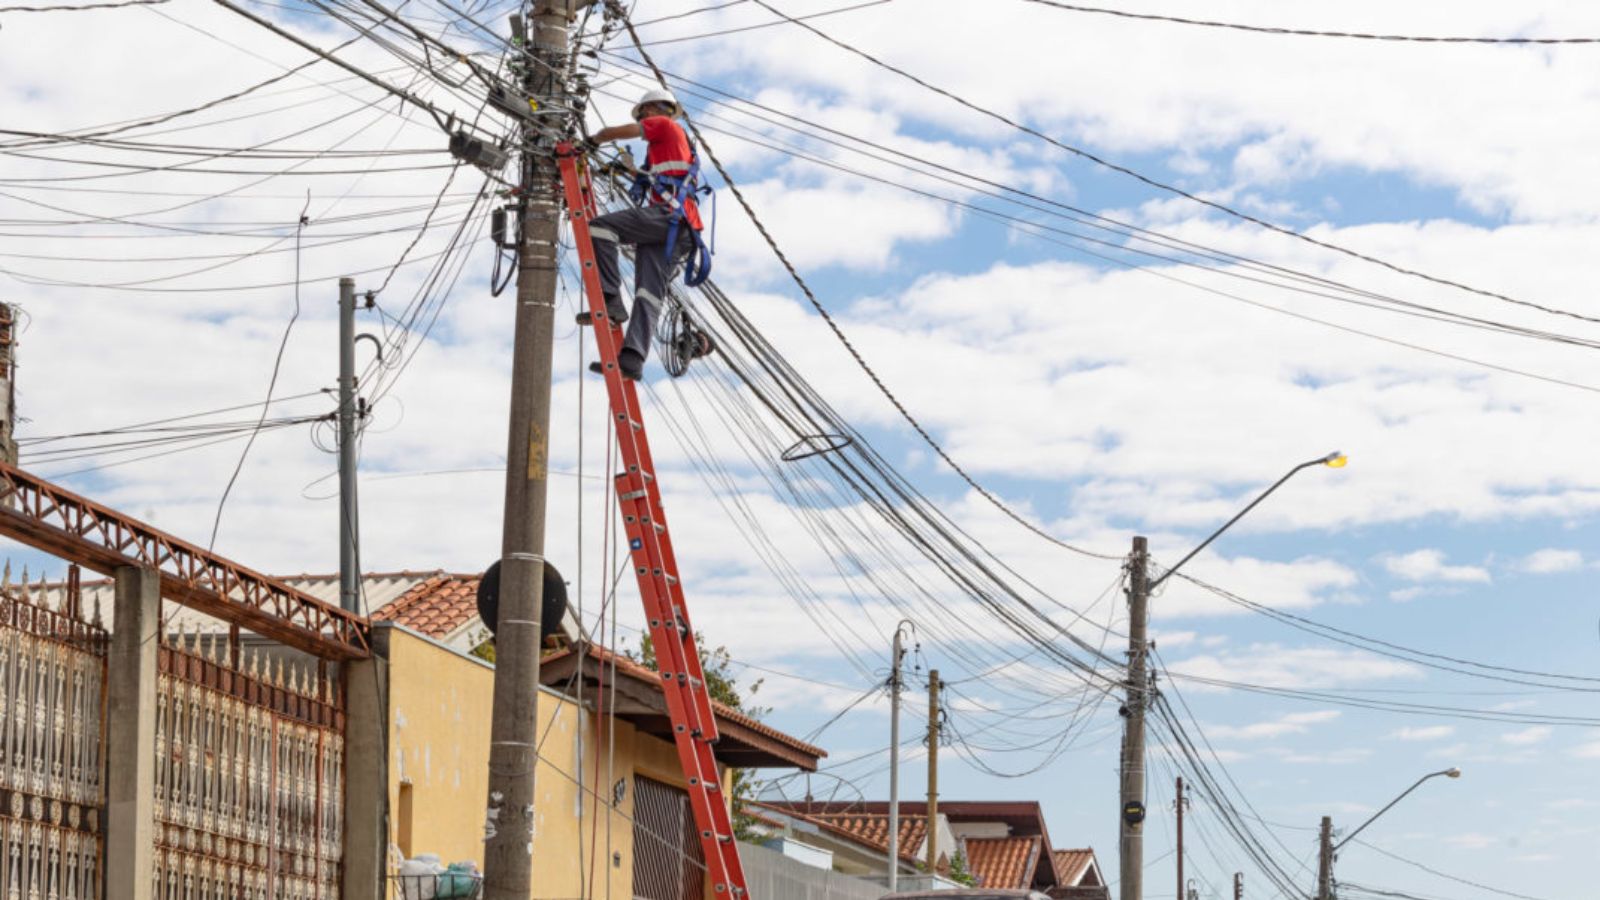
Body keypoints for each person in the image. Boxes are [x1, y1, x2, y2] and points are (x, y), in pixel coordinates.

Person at [581, 89, 704, 381]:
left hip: (670, 218)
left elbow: (619, 132)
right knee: (648, 293)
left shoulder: (664, 124)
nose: (643, 118)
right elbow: (659, 176)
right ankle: (632, 359)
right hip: (678, 228)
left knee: (601, 227)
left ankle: (611, 300)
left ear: (656, 109)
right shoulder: (669, 146)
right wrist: (630, 170)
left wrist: (593, 140)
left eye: (644, 112)